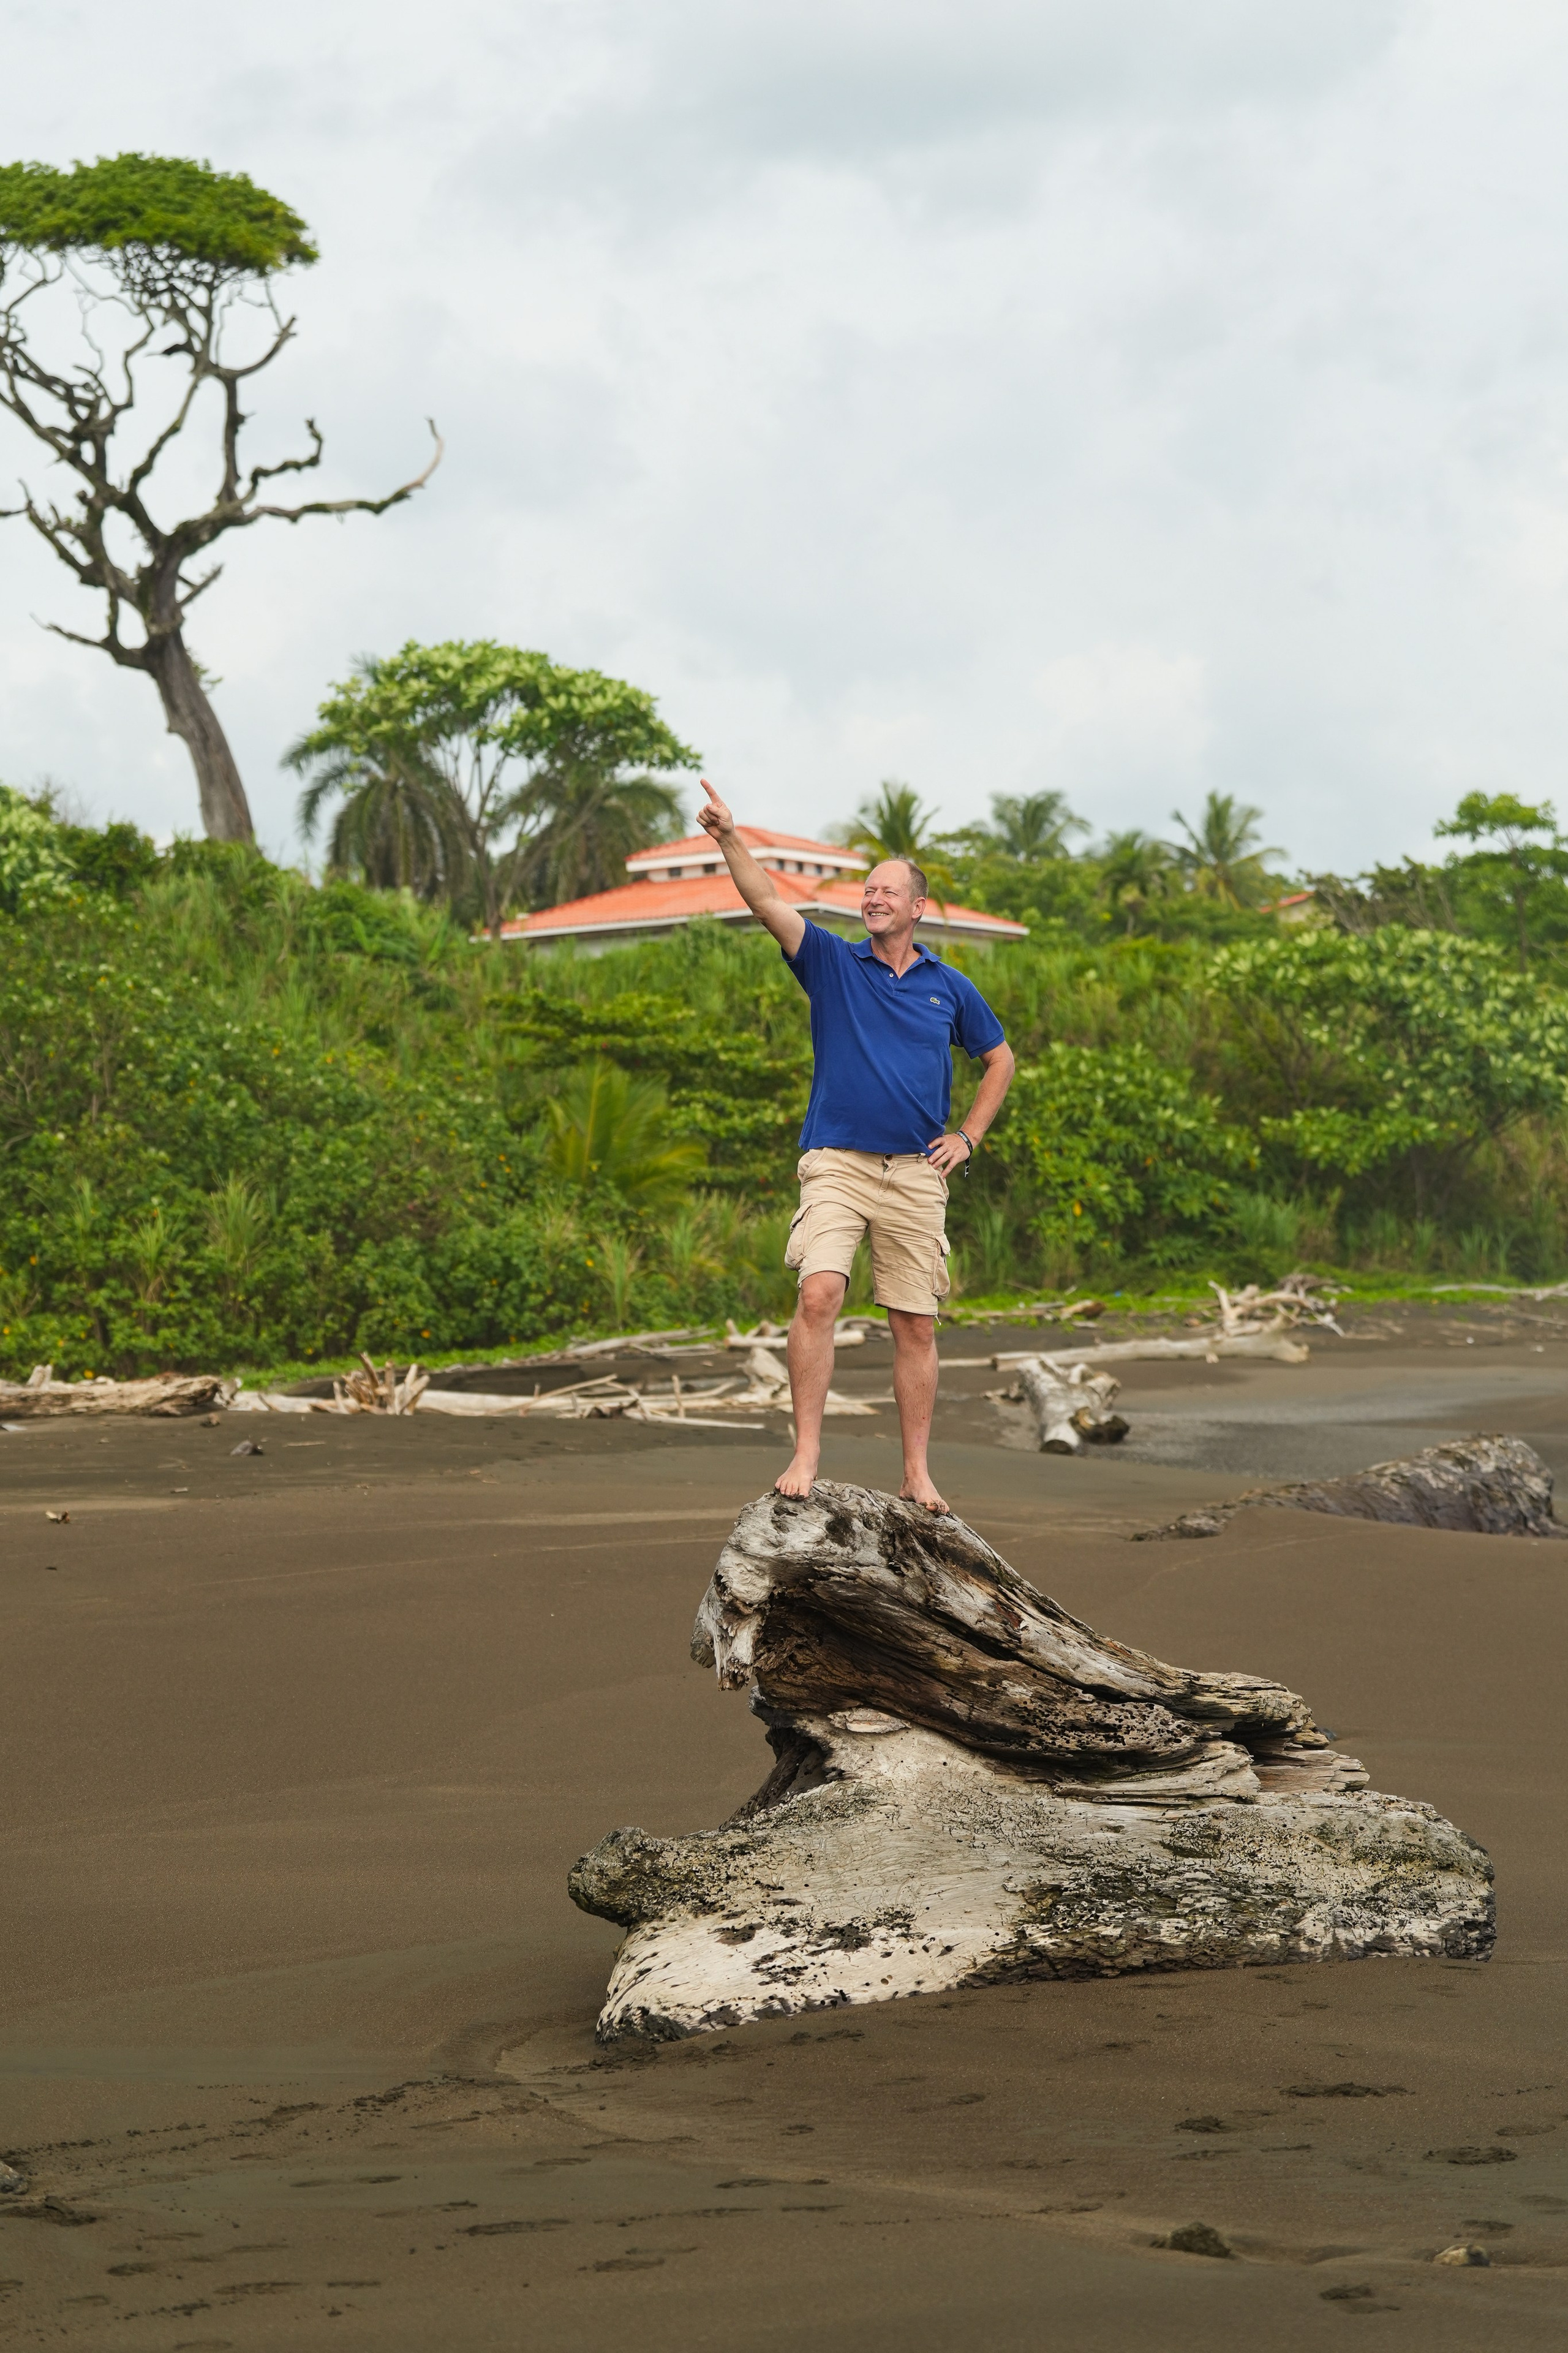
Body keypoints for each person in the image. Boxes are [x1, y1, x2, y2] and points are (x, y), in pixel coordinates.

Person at [696, 779, 1016, 1513]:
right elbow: (766, 903)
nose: (872, 899)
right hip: (837, 1158)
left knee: (914, 1322)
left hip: (914, 1171)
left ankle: (916, 1473)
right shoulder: (832, 964)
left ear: (916, 907)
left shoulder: (949, 986)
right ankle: (806, 1452)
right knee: (819, 1292)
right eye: (867, 890)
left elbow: (999, 1058)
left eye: (886, 891)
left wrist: (968, 1135)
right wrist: (728, 840)